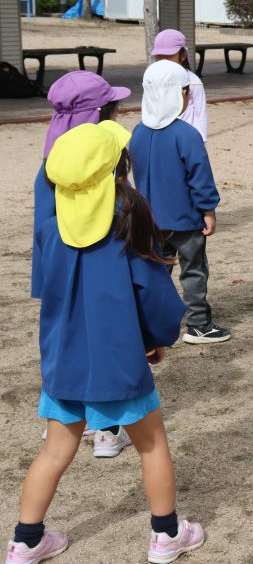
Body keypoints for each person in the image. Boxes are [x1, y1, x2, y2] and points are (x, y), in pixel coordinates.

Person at [8, 121, 205, 564]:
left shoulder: (49, 227)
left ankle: (25, 540)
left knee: (55, 450)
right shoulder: (130, 221)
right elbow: (154, 298)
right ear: (119, 168)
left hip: (63, 359)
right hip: (119, 360)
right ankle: (167, 534)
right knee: (151, 443)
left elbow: (46, 289)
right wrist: (157, 340)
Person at [31, 71, 132, 458]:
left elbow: (43, 223)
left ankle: (63, 418)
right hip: (100, 268)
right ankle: (105, 428)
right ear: (101, 112)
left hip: (59, 271)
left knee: (63, 338)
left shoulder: (52, 159)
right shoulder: (104, 155)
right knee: (103, 340)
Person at [130, 60, 230, 345]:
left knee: (155, 273)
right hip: (185, 219)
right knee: (194, 270)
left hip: (149, 219)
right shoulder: (186, 135)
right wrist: (208, 211)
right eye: (186, 91)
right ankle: (198, 324)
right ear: (175, 94)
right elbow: (201, 179)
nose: (188, 96)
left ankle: (149, 326)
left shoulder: (137, 132)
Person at [150, 29, 208, 141]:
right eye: (159, 56)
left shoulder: (193, 81)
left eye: (168, 56)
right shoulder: (153, 79)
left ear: (183, 56)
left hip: (188, 139)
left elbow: (201, 114)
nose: (163, 61)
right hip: (162, 138)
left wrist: (201, 141)